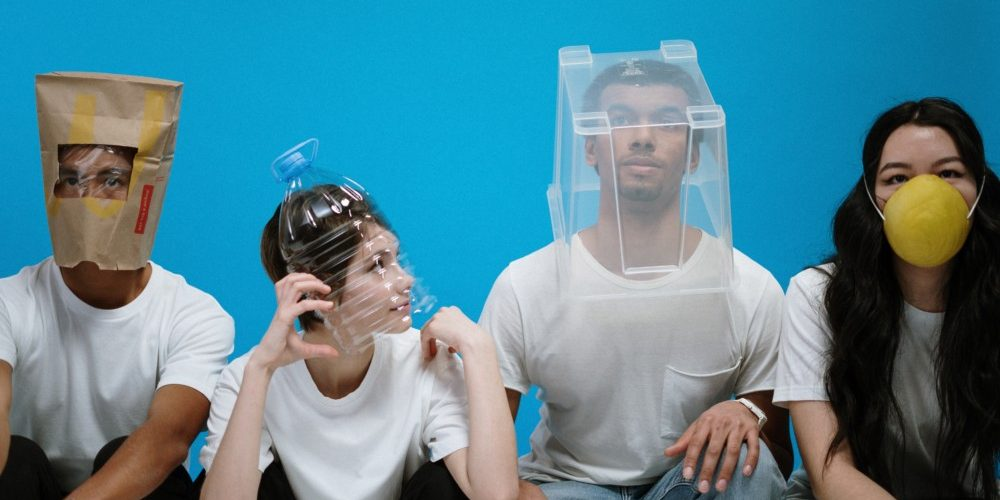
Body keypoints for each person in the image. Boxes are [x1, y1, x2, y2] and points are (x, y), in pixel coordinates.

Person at [481, 55, 790, 499]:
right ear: (590, 148)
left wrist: (744, 414)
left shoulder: (751, 287)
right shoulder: (525, 284)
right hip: (571, 487)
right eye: (620, 120)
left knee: (745, 464)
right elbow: (479, 445)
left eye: (667, 122)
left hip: (690, 483)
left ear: (694, 154)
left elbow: (777, 456)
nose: (643, 138)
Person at [199, 182, 519, 499]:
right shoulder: (249, 377)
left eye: (396, 259)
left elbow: (495, 496)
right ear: (314, 289)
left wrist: (480, 349)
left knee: (444, 486)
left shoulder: (424, 359)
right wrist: (260, 371)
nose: (405, 280)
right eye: (377, 265)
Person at [775, 98, 1000, 499]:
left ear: (979, 189)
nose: (924, 193)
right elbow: (830, 475)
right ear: (870, 197)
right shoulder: (816, 295)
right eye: (897, 178)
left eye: (948, 173)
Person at [0, 144, 236, 498]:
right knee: (17, 458)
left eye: (112, 180)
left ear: (146, 196)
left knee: (149, 469)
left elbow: (168, 439)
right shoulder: (10, 300)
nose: (89, 197)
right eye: (72, 179)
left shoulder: (195, 315)